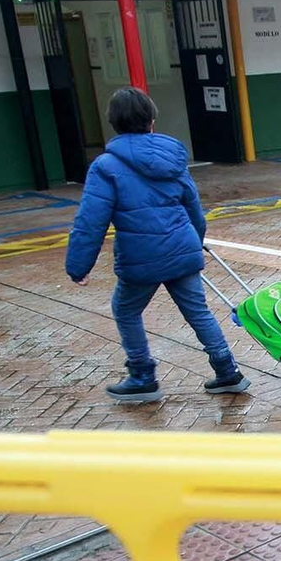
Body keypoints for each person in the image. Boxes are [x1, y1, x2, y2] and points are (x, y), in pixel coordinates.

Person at [66, 87, 250, 404]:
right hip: (182, 248)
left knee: (125, 309)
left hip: (141, 258)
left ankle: (142, 376)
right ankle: (227, 371)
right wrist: (196, 241)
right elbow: (194, 208)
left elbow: (90, 221)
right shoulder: (173, 157)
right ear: (151, 120)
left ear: (113, 123)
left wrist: (78, 266)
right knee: (199, 313)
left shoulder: (105, 166)